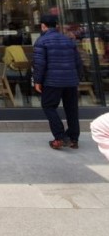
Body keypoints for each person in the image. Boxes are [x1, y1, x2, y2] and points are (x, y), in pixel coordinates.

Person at [33, 14, 82, 150]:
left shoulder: (42, 41)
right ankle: (73, 139)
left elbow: (39, 64)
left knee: (48, 106)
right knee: (72, 109)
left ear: (43, 26)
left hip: (52, 81)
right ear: (56, 26)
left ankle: (60, 137)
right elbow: (78, 62)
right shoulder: (68, 40)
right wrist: (77, 78)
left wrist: (37, 81)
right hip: (71, 80)